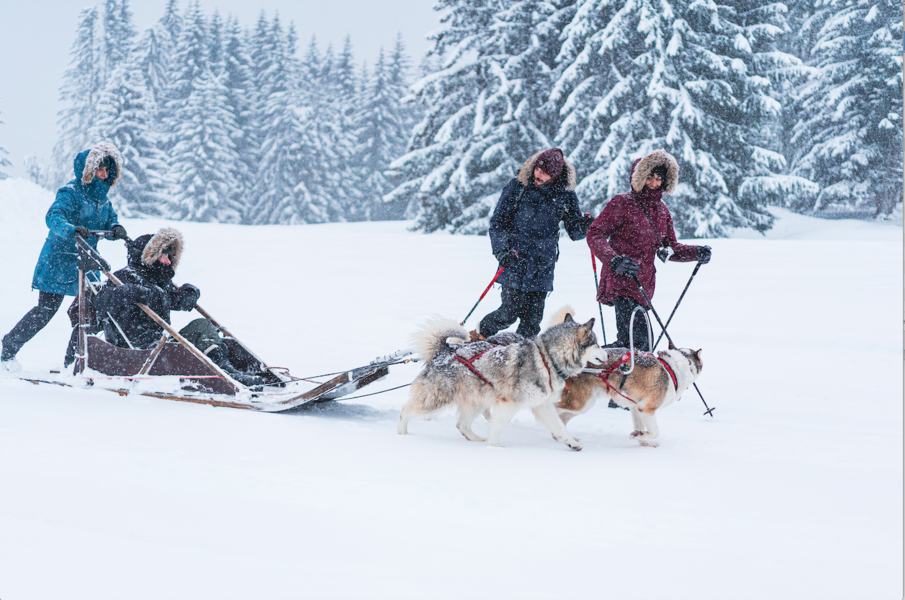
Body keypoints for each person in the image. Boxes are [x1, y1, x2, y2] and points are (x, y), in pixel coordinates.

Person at [1, 142, 127, 370]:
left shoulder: (103, 200)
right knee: (45, 311)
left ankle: (73, 362)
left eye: (108, 171)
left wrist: (115, 227)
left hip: (88, 261)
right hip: (59, 260)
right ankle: (7, 349)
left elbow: (110, 219)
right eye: (100, 169)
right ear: (89, 170)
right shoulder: (71, 193)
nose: (104, 174)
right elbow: (53, 217)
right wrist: (72, 229)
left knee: (90, 313)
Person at [93, 229, 266, 386]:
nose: (168, 261)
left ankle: (230, 371)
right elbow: (99, 302)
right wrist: (129, 292)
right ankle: (226, 375)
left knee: (203, 326)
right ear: (150, 256)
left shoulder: (157, 281)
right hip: (140, 351)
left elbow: (177, 301)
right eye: (164, 256)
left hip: (161, 345)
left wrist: (190, 293)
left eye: (170, 256)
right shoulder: (124, 277)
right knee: (201, 327)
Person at [587, 148, 712, 351]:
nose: (654, 184)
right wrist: (614, 260)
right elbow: (595, 233)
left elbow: (671, 248)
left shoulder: (662, 211)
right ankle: (595, 364)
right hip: (622, 281)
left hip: (644, 286)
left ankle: (598, 361)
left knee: (638, 348)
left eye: (658, 179)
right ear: (640, 178)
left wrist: (696, 252)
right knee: (638, 346)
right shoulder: (622, 202)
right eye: (649, 178)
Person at [474, 148, 593, 340]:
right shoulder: (517, 187)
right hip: (514, 259)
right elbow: (498, 224)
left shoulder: (565, 195)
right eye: (538, 168)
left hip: (542, 265)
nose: (538, 174)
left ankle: (520, 359)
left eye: (545, 172)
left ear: (555, 175)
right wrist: (502, 251)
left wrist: (585, 225)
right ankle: (478, 335)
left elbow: (575, 232)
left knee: (531, 322)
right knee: (507, 313)